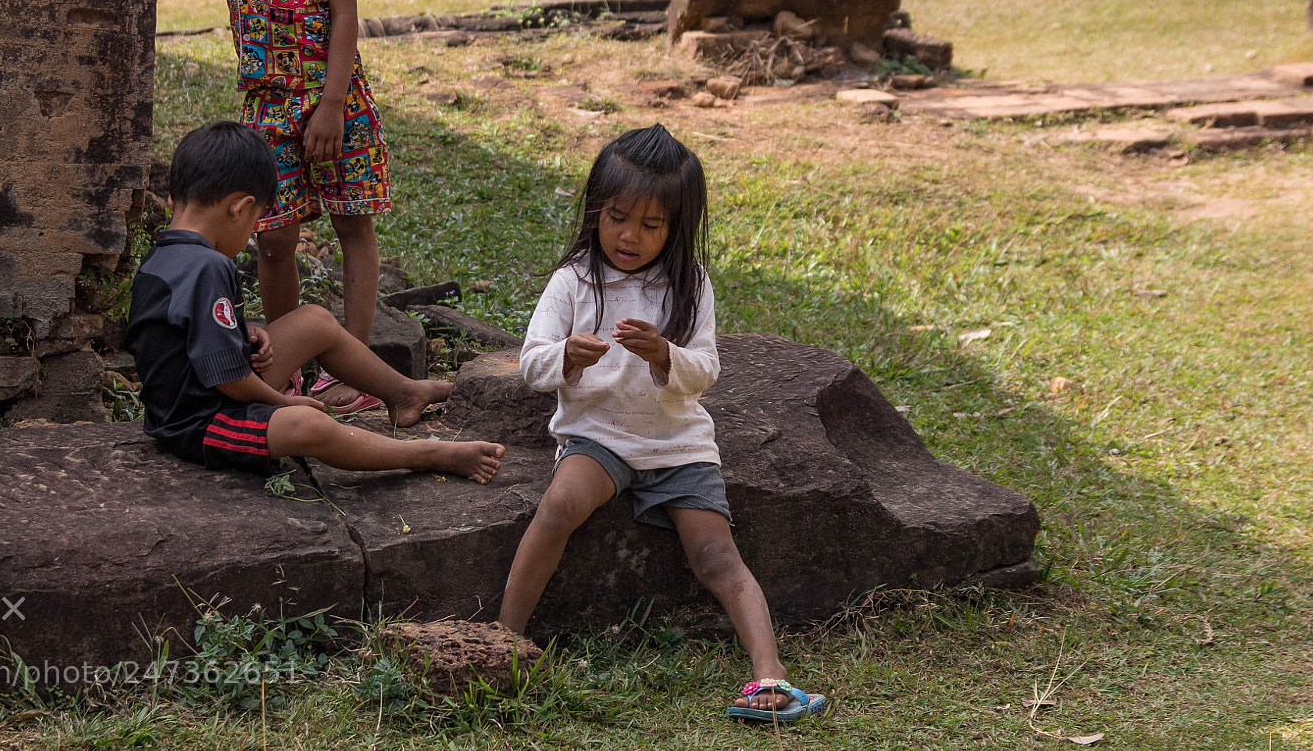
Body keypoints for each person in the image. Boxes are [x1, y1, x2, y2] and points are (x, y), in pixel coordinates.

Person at [499, 124, 827, 724]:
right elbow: (530, 362)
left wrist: (662, 355)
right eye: (619, 217)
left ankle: (770, 677)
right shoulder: (574, 279)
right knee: (558, 507)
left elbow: (704, 371)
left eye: (653, 226)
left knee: (716, 557)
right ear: (596, 210)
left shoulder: (690, 284)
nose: (631, 236)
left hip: (677, 441)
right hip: (599, 437)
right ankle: (502, 642)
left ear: (678, 229)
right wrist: (565, 355)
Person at [123, 0, 385, 411]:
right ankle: (286, 365)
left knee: (353, 224)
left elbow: (345, 17)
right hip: (267, 106)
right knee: (272, 235)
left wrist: (329, 104)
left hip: (335, 102)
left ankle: (354, 364)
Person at [125, 121, 504, 485]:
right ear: (240, 208)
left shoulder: (164, 254)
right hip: (200, 422)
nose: (252, 230)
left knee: (315, 321)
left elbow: (182, 332)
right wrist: (284, 404)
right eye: (256, 219)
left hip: (205, 391)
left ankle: (405, 393)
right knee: (311, 426)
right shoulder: (210, 265)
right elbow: (228, 378)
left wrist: (246, 335)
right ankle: (426, 455)